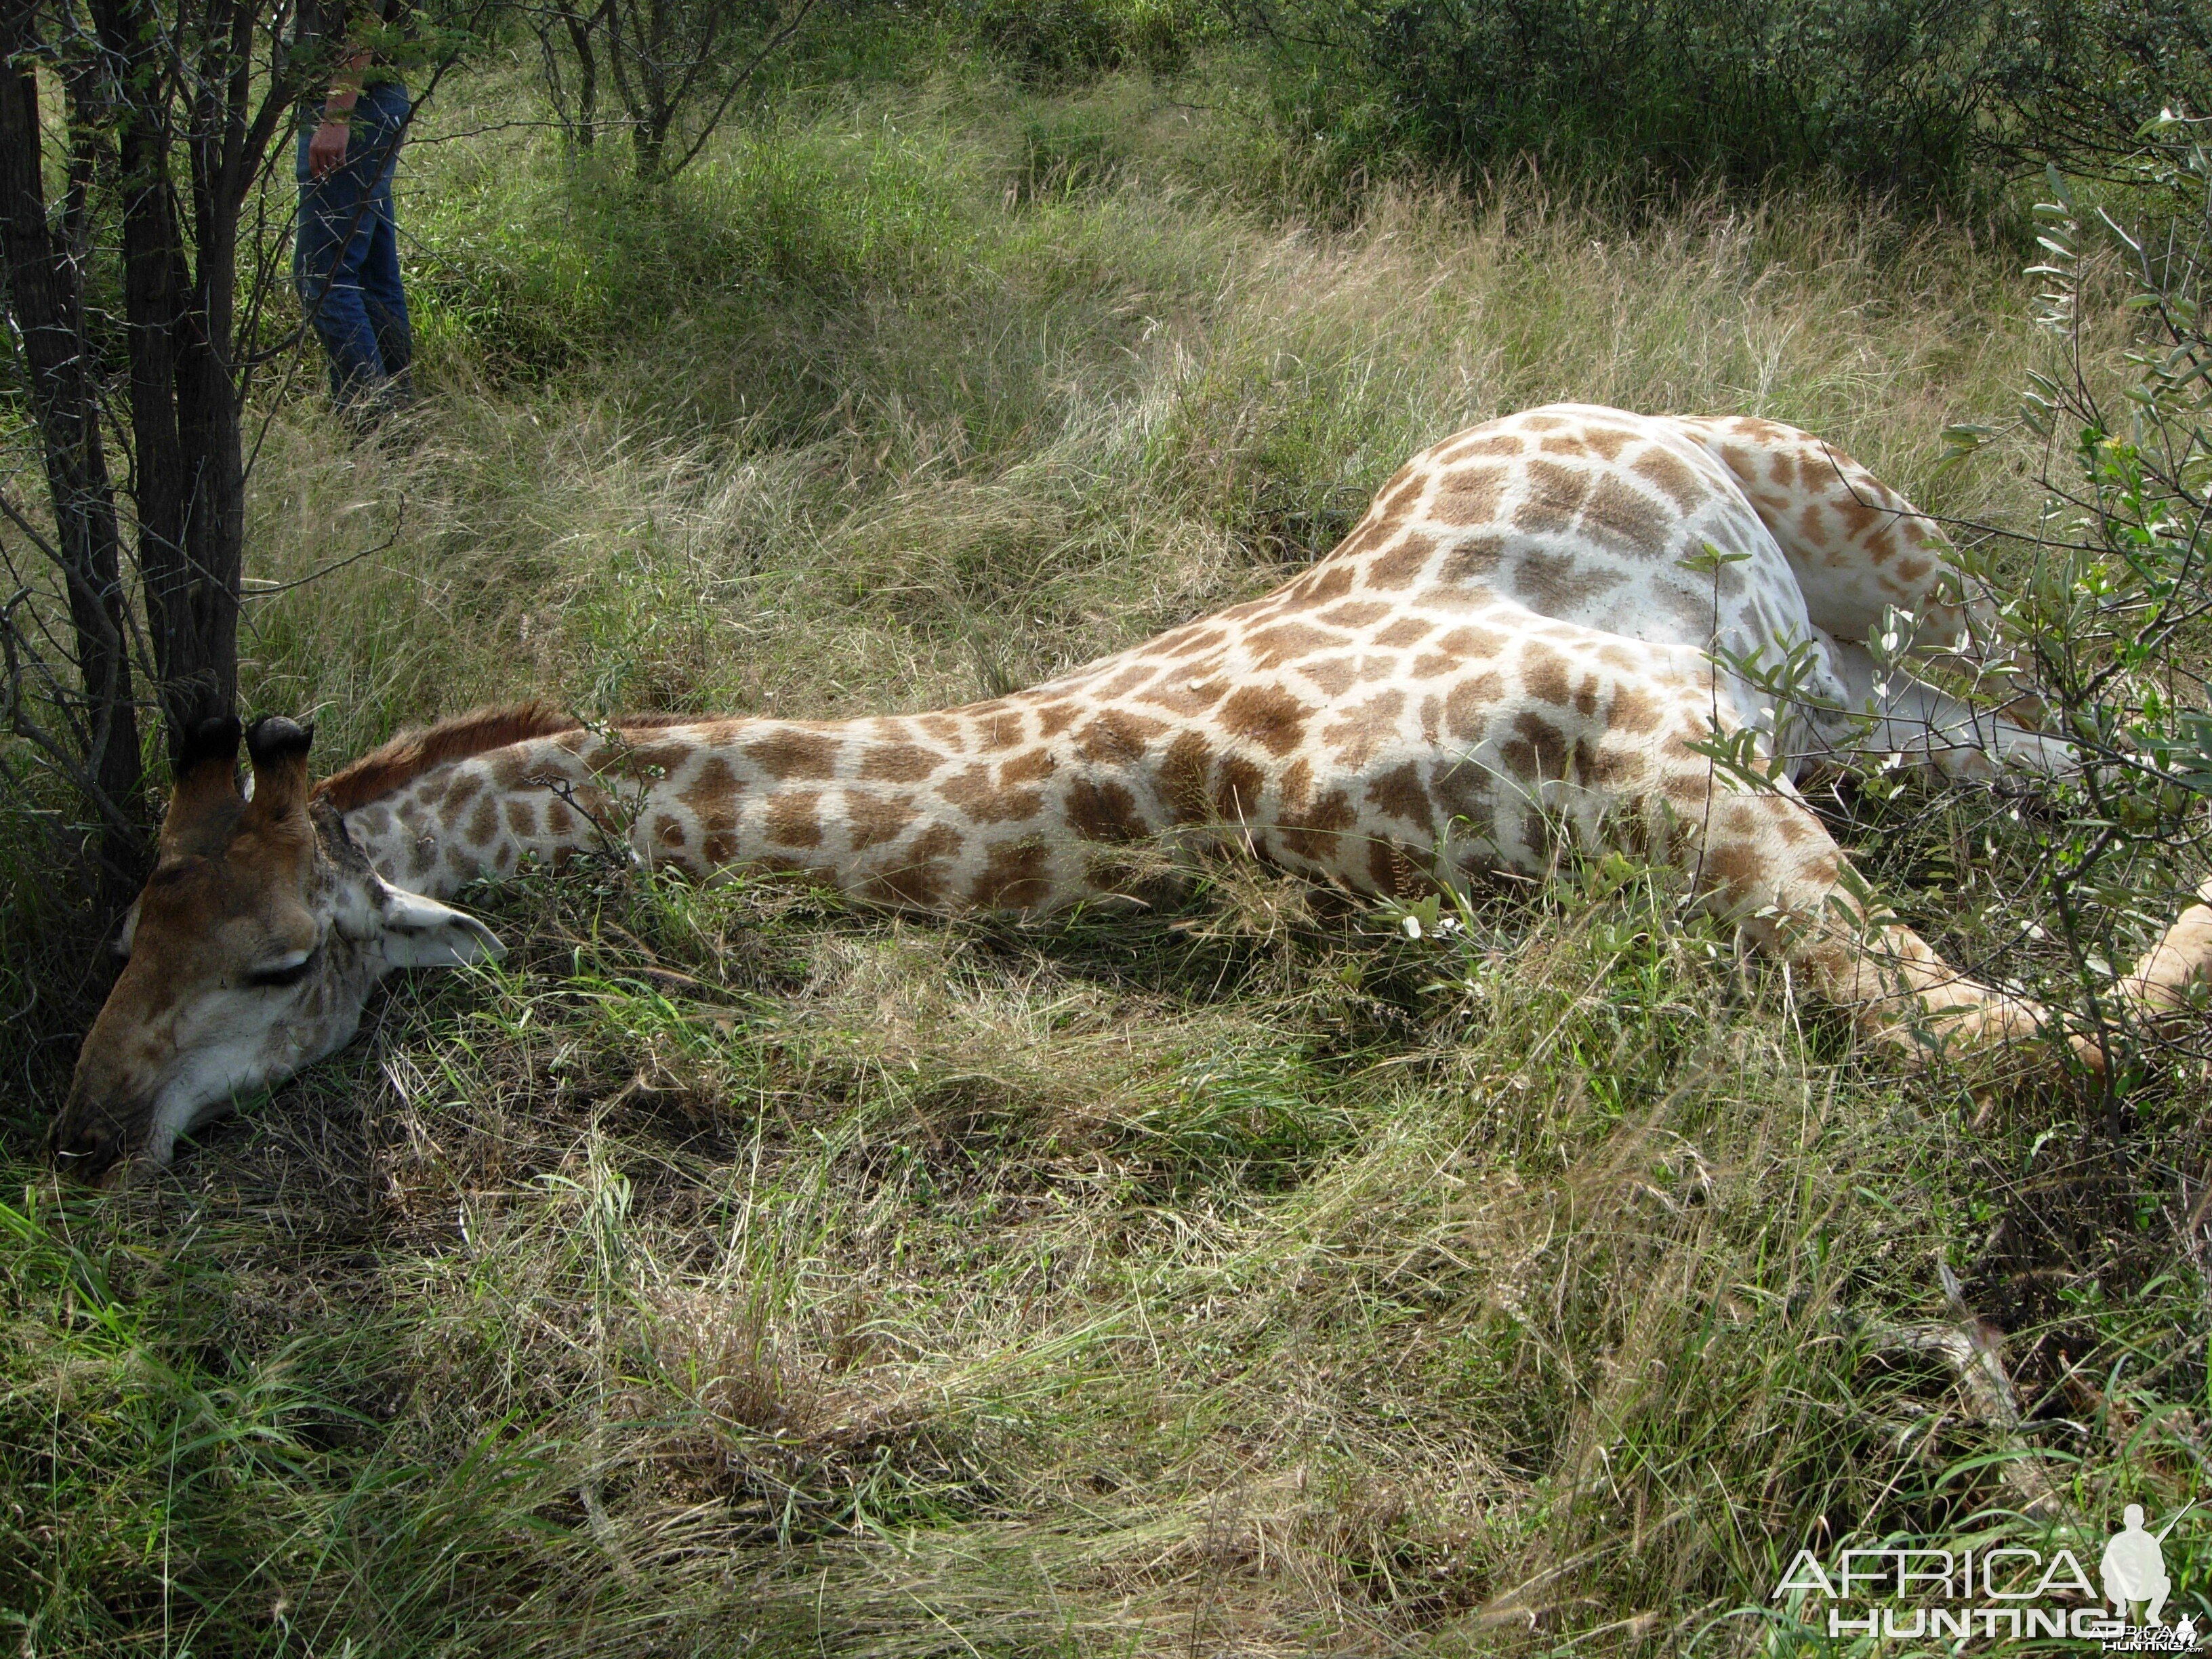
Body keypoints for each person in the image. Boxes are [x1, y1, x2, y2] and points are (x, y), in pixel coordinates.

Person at [295, 2, 413, 419]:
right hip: (372, 98)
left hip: (354, 106)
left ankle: (378, 427)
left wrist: (337, 114)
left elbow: (367, 14)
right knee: (371, 277)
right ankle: (403, 414)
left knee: (323, 277)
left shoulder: (343, 112)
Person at [2102, 1504, 2173, 1625]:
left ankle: (2152, 1614)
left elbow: (2161, 1567)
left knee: (2165, 1582)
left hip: (2145, 1582)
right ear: (2125, 1521)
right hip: (2122, 1585)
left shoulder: (2148, 1540)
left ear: (2142, 1520)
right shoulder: (2117, 1540)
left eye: (2137, 1519)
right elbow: (2105, 1567)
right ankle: (2119, 1610)